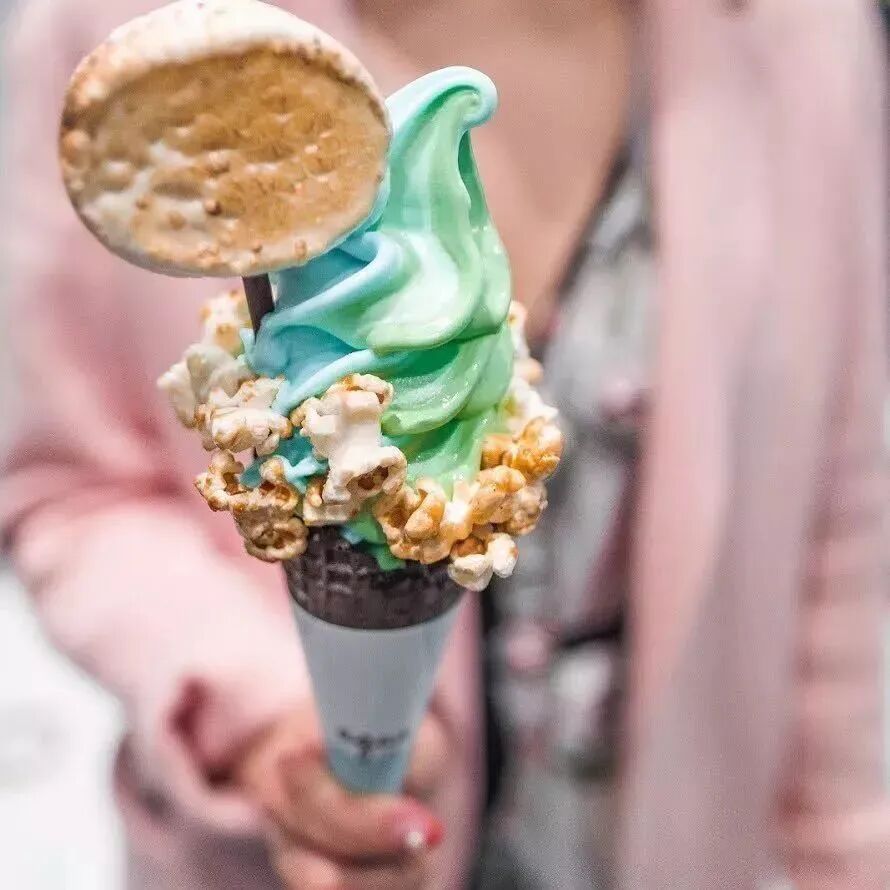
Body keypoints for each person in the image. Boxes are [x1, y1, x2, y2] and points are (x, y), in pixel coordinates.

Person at [3, 2, 888, 890]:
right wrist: (258, 712)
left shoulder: (796, 33)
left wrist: (849, 851)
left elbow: (842, 528)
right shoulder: (129, 46)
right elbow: (64, 491)